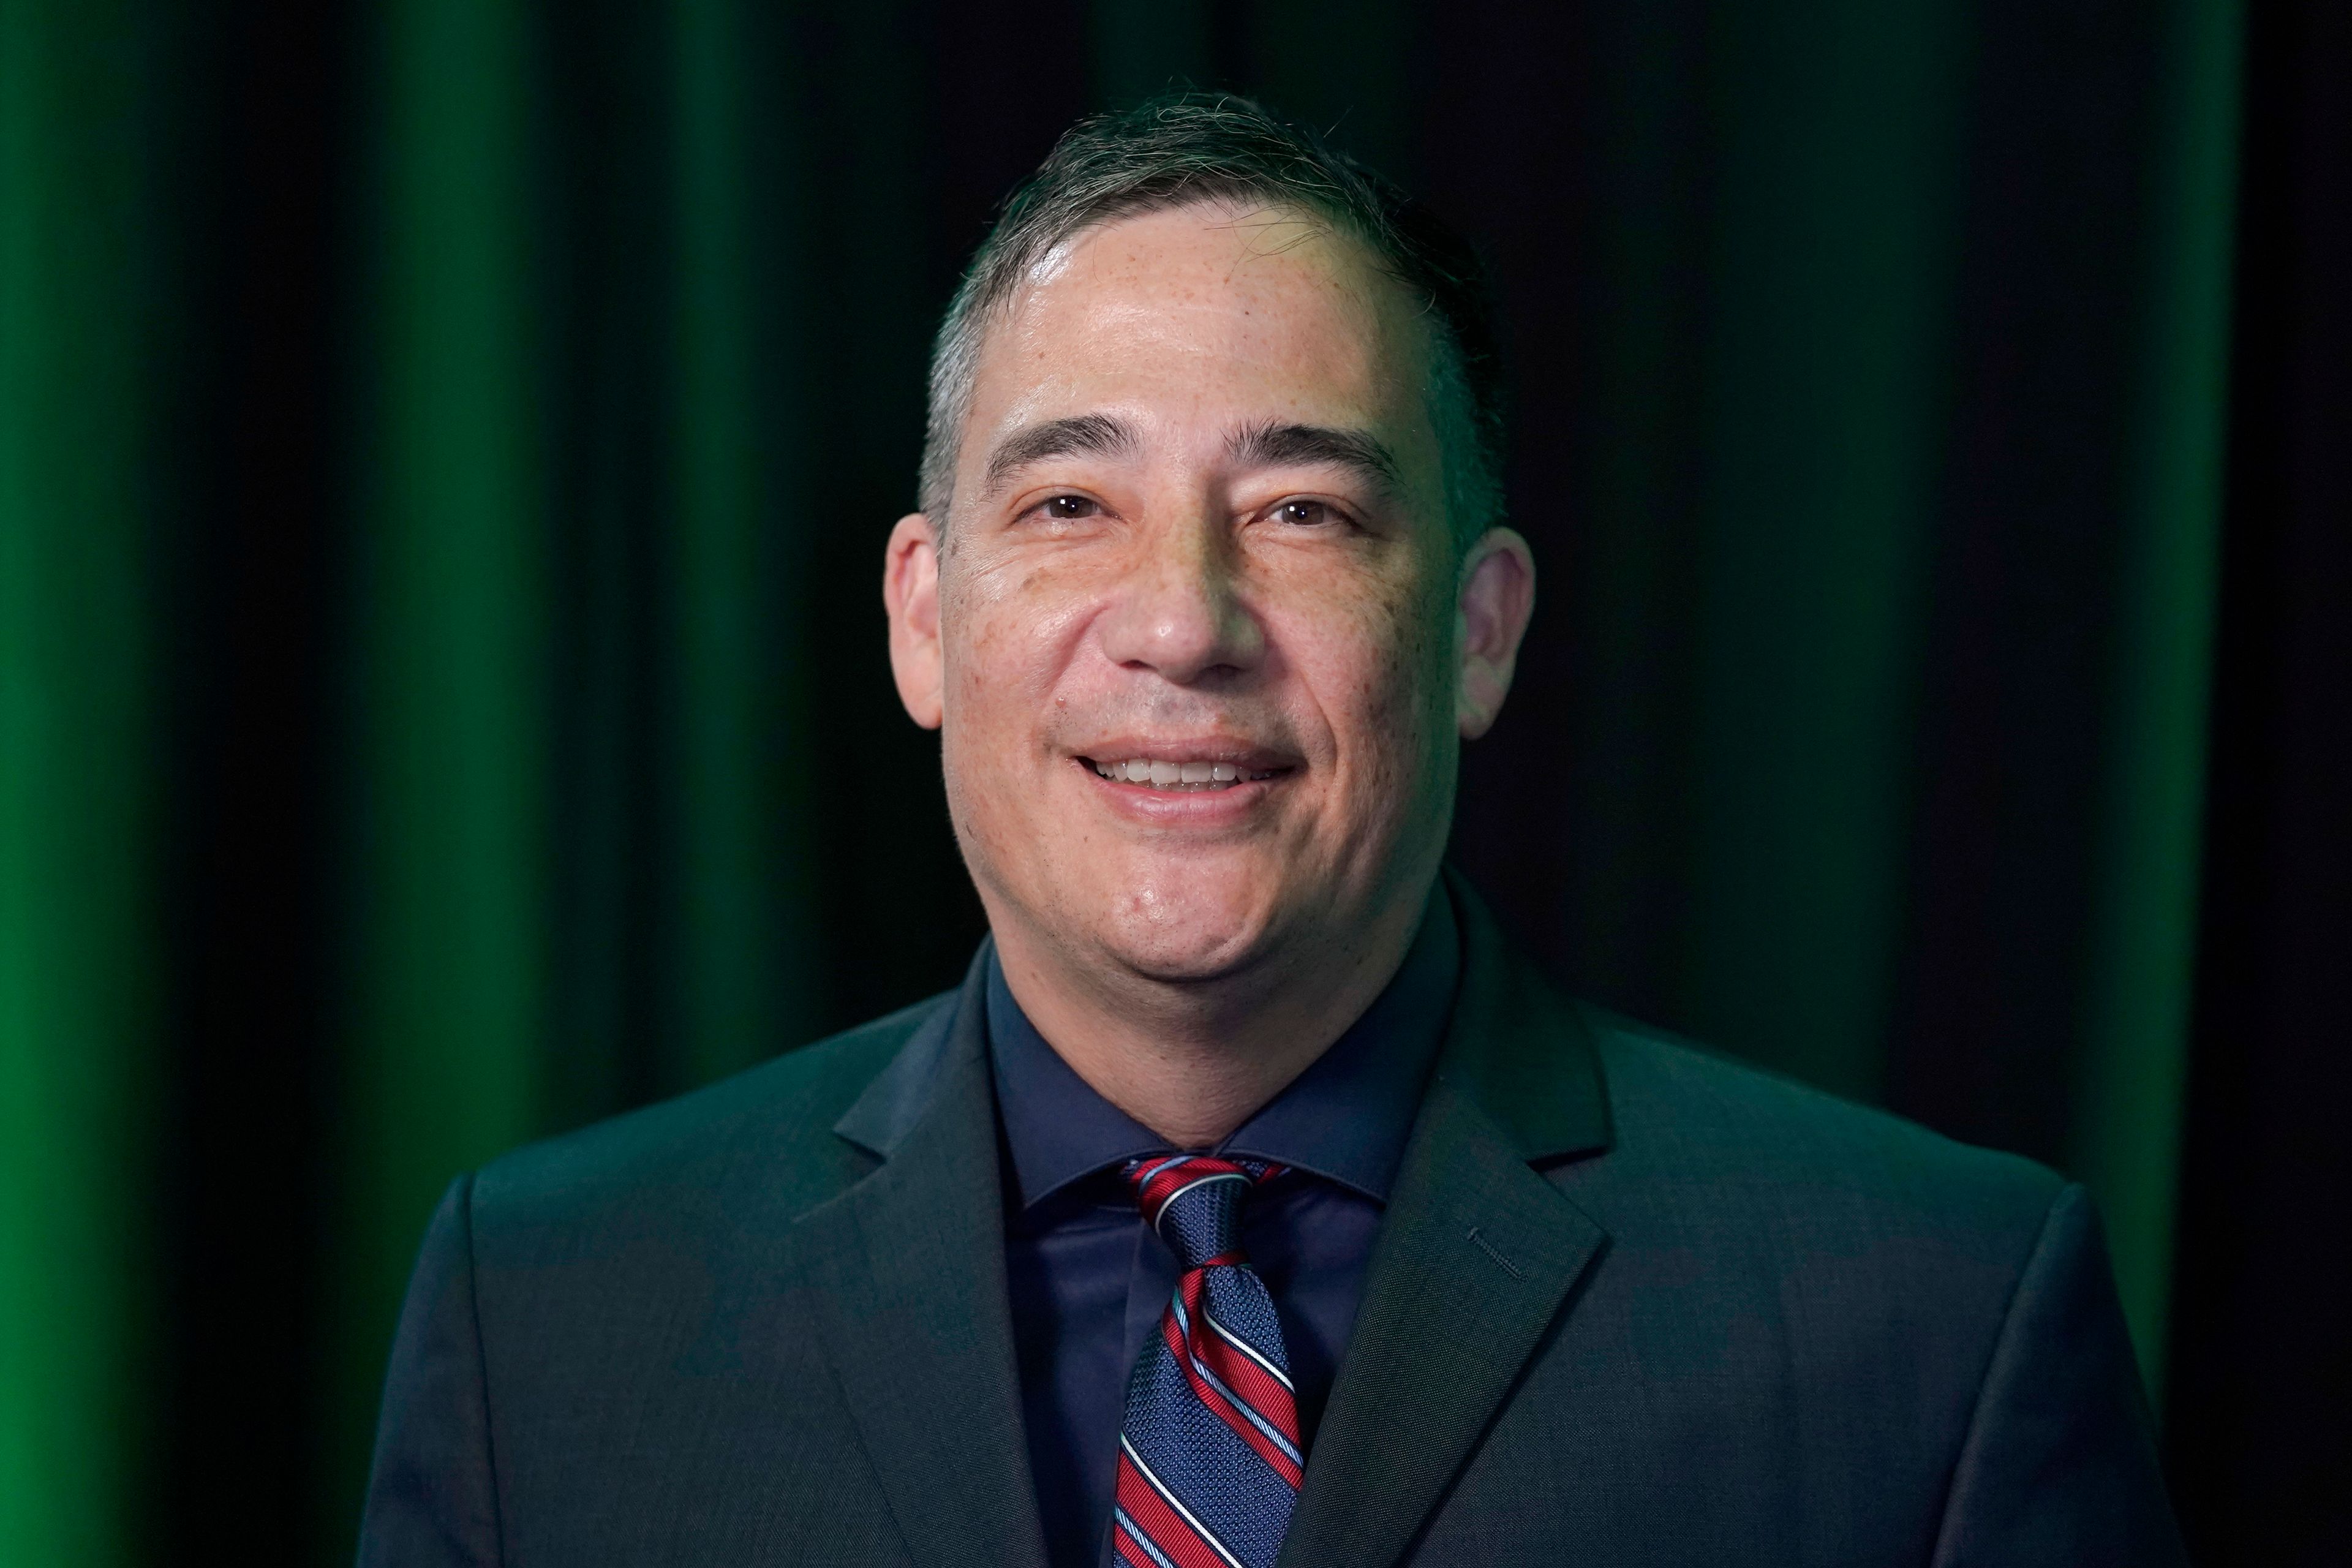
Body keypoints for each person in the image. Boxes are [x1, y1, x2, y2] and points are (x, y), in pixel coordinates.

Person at [358, 95, 2182, 1567]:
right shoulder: (548, 1326)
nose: (1185, 620)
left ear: (1476, 629)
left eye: (1303, 511)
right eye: (1073, 501)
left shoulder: (1931, 1330)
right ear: (924, 620)